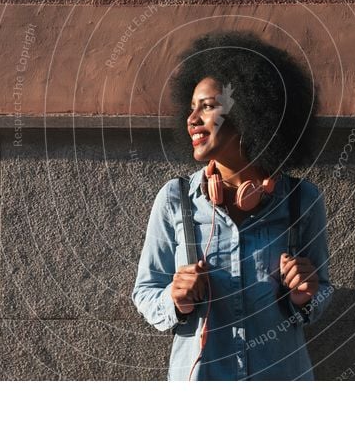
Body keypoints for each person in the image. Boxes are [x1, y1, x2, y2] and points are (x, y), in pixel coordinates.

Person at [131, 30, 334, 380]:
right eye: (191, 107)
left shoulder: (302, 200)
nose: (192, 119)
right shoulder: (176, 199)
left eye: (208, 106)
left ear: (250, 112)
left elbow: (322, 292)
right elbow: (146, 292)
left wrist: (306, 295)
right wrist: (174, 300)